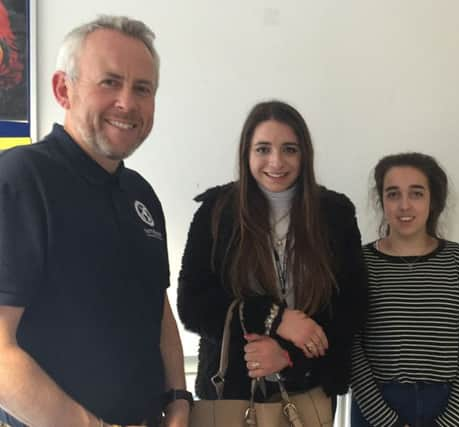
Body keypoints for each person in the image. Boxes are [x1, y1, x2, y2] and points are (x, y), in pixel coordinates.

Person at [0, 16, 189, 427]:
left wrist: (178, 399)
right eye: (109, 82)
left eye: (143, 88)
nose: (128, 102)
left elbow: (157, 309)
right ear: (62, 89)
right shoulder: (20, 181)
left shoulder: (140, 194)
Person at [177, 100, 366, 413]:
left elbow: (350, 307)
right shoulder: (216, 211)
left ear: (304, 154)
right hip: (231, 392)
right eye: (263, 149)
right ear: (246, 154)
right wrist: (274, 319)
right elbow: (192, 305)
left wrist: (289, 357)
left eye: (289, 149)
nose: (276, 162)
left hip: (308, 388)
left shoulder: (335, 214)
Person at [350, 152, 459, 427]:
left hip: (449, 404)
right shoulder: (358, 263)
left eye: (416, 193)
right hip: (377, 405)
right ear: (382, 201)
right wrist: (388, 422)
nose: (404, 205)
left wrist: (450, 421)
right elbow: (352, 346)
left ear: (432, 200)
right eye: (393, 194)